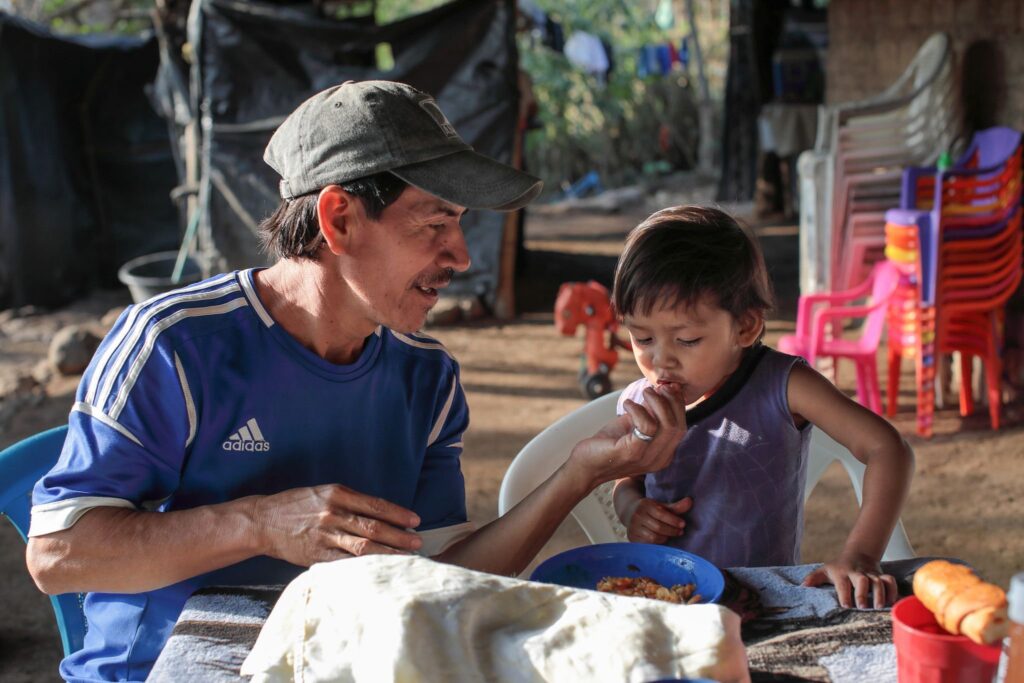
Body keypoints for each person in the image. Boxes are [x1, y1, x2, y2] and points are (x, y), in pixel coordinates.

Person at [25, 81, 686, 682]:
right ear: (338, 219)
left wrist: (578, 474)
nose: (458, 256)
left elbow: (437, 571)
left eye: (459, 226)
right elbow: (58, 554)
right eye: (433, 225)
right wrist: (261, 522)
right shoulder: (173, 347)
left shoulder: (424, 377)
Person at [610, 206, 914, 610]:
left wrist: (862, 552)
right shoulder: (637, 401)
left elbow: (887, 448)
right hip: (671, 601)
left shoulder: (783, 386)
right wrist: (632, 508)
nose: (661, 361)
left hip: (764, 603)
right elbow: (627, 480)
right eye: (643, 338)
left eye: (686, 340)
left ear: (745, 327)